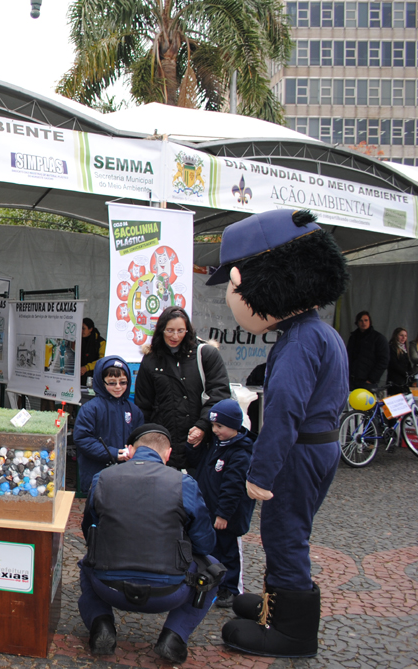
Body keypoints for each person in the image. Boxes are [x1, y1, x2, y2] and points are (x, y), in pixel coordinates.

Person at [206, 209, 349, 658]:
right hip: (319, 447)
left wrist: (261, 473)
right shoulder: (318, 332)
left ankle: (292, 632)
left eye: (232, 287)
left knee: (284, 534)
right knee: (289, 531)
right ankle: (274, 605)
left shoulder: (301, 339)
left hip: (298, 453)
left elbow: (285, 412)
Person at [78, 424, 220, 664]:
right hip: (169, 592)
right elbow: (205, 544)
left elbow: (88, 529)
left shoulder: (101, 478)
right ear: (167, 454)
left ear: (130, 451)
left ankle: (100, 624)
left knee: (87, 562)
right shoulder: (184, 483)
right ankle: (175, 635)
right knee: (214, 569)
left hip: (108, 585)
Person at [133, 306, 230, 470]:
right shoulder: (151, 361)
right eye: (170, 330)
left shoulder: (206, 354)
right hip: (165, 445)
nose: (175, 336)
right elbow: (143, 406)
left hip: (201, 442)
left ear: (188, 330)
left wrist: (202, 425)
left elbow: (219, 394)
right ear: (161, 330)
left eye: (180, 330)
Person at [189, 399, 256, 609]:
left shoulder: (239, 452)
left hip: (227, 516)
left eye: (220, 426)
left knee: (229, 551)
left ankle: (231, 589)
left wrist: (223, 514)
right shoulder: (216, 444)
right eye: (213, 426)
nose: (215, 430)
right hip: (209, 510)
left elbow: (233, 487)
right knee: (211, 549)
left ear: (234, 426)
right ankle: (213, 583)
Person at [73, 356, 144, 498]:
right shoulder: (90, 409)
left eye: (123, 382)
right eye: (112, 383)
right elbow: (83, 440)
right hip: (97, 474)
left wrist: (133, 452)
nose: (118, 387)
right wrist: (114, 453)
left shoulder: (134, 410)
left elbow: (140, 439)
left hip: (126, 474)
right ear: (101, 382)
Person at [346, 311, 388, 391]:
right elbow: (348, 356)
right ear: (357, 322)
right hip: (352, 380)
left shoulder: (378, 338)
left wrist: (372, 379)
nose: (363, 323)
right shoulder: (353, 337)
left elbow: (384, 360)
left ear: (370, 322)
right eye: (361, 320)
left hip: (368, 382)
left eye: (366, 320)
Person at [387, 327, 414, 395]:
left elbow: (407, 363)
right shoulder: (391, 347)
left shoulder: (404, 349)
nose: (403, 338)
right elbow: (393, 364)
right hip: (395, 381)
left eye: (405, 336)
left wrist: (410, 373)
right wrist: (405, 373)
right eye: (401, 335)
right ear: (396, 336)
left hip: (404, 381)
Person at [80, 318, 106, 387]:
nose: (81, 331)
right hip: (79, 376)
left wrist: (87, 368)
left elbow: (101, 361)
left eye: (83, 328)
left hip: (93, 377)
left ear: (90, 329)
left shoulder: (101, 342)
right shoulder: (79, 340)